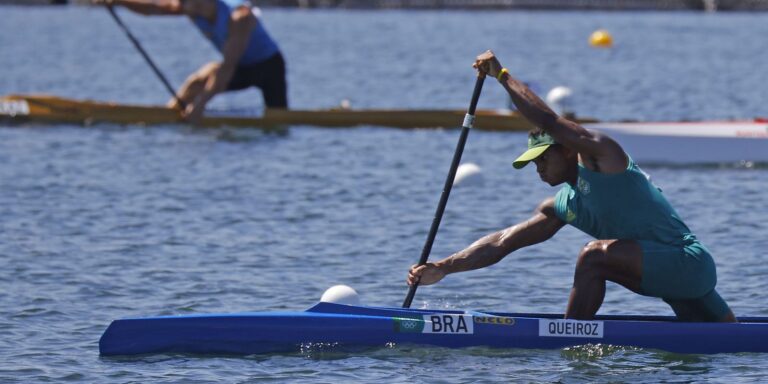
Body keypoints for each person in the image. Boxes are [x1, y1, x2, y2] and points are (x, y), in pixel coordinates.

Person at [407, 50, 736, 323]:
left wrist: (502, 75)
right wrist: (443, 268)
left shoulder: (604, 158)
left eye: (542, 159)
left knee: (592, 257)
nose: (537, 168)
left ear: (567, 149)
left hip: (687, 263)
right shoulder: (565, 204)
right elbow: (502, 243)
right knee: (729, 337)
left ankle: (569, 338)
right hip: (674, 279)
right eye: (533, 163)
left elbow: (550, 121)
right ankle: (573, 335)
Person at [93, 0, 287, 123]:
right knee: (198, 80)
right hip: (241, 66)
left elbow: (228, 66)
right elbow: (153, 8)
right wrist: (117, 1)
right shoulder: (193, 8)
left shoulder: (239, 17)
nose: (180, 4)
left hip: (268, 67)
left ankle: (191, 113)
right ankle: (168, 114)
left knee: (279, 118)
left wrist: (201, 105)